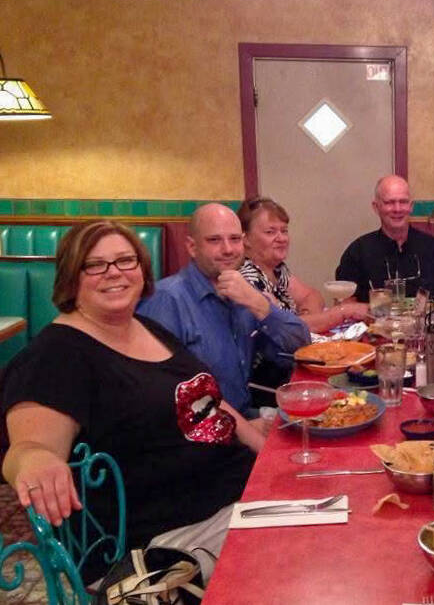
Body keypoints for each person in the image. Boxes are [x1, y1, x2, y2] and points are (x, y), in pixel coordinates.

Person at [1, 221, 259, 583]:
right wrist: (35, 460)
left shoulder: (145, 327)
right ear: (71, 276)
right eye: (95, 264)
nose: (114, 273)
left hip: (235, 493)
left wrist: (268, 453)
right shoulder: (56, 355)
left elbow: (207, 401)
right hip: (168, 538)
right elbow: (28, 446)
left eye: (126, 260)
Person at [138, 203, 310, 417]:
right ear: (192, 247)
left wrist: (260, 304)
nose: (228, 249)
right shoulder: (166, 300)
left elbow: (300, 349)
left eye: (235, 239)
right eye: (214, 240)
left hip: (245, 415)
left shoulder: (242, 292)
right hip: (200, 434)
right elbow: (160, 400)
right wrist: (243, 429)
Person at [237, 198, 368, 332]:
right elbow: (285, 328)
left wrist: (306, 317)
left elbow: (312, 295)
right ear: (245, 238)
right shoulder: (247, 278)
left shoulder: (277, 269)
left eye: (284, 231)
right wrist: (343, 312)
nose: (281, 238)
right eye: (270, 232)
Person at [335, 175, 434, 302]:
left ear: (411, 206)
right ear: (376, 207)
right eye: (389, 202)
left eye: (403, 202)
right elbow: (344, 304)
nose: (397, 209)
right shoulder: (357, 252)